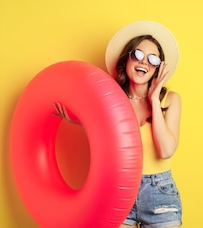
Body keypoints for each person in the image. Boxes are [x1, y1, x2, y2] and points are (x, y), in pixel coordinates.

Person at [54, 20, 182, 228]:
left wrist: (155, 100)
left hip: (160, 197)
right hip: (118, 191)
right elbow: (106, 149)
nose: (144, 63)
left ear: (159, 68)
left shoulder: (171, 100)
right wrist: (81, 122)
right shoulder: (111, 101)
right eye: (138, 55)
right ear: (127, 59)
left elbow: (166, 150)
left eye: (153, 59)